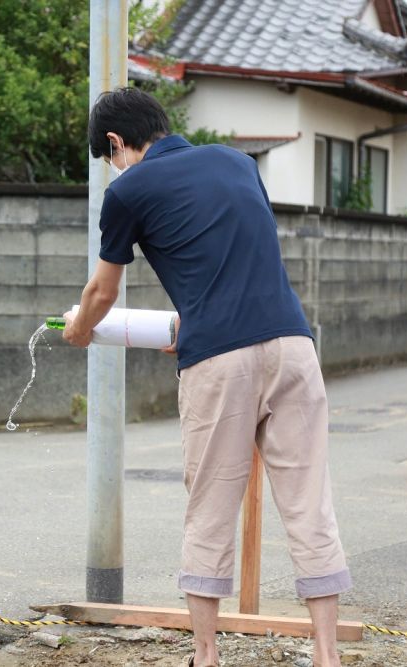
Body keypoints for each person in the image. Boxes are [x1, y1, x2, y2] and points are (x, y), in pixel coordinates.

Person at [62, 87, 351, 667]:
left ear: (117, 143)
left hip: (220, 361)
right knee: (309, 503)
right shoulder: (238, 162)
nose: (111, 166)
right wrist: (188, 325)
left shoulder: (127, 190)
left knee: (210, 506)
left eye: (108, 155)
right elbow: (234, 258)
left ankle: (207, 656)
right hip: (294, 344)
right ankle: (326, 655)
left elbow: (102, 291)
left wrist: (80, 331)